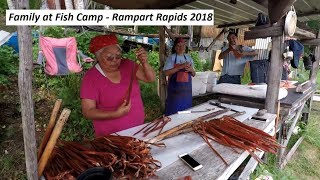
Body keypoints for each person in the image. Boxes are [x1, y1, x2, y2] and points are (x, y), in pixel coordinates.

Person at [80, 34, 156, 137]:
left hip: (138, 129)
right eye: (110, 58)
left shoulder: (128, 65)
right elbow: (88, 111)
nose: (115, 60)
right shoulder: (91, 77)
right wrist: (115, 114)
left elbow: (150, 79)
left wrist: (145, 63)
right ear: (98, 57)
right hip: (112, 137)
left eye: (118, 55)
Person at [163, 38, 196, 116]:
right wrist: (180, 67)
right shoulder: (172, 58)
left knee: (186, 112)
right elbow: (166, 73)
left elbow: (194, 74)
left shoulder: (189, 58)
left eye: (183, 45)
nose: (181, 48)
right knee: (173, 113)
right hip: (174, 92)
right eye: (179, 46)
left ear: (185, 47)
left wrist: (191, 70)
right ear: (175, 47)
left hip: (186, 92)